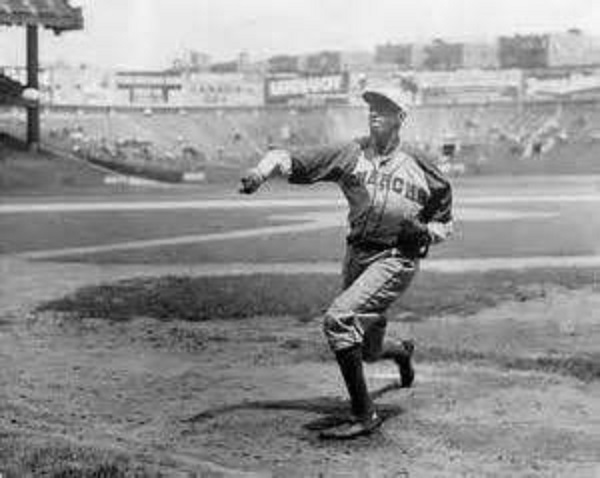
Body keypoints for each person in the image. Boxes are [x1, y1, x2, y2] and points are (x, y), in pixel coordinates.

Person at [239, 88, 453, 439]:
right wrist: (261, 173)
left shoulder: (422, 164)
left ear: (401, 118)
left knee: (340, 320)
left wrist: (427, 234)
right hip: (357, 256)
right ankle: (400, 352)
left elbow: (445, 221)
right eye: (371, 107)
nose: (374, 114)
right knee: (367, 350)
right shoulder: (352, 152)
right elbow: (288, 158)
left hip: (396, 258)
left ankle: (365, 414)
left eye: (384, 109)